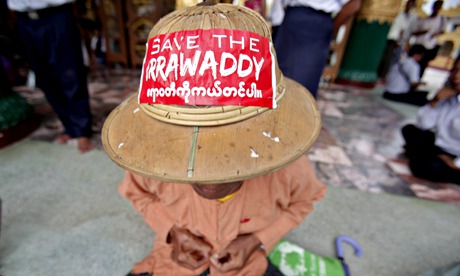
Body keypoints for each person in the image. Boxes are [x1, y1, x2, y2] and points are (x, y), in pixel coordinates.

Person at [101, 3, 326, 275]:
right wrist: (171, 231)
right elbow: (137, 193)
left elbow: (305, 200)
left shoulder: (290, 168)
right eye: (185, 147)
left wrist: (256, 240)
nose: (208, 175)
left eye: (228, 148)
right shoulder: (150, 159)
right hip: (170, 262)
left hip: (248, 266)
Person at [7, 0, 94, 153]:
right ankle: (68, 127)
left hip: (57, 14)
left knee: (70, 72)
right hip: (23, 19)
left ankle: (82, 130)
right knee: (44, 76)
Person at [273, 0, 361, 98]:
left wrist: (332, 27)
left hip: (314, 23)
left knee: (300, 88)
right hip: (290, 19)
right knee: (277, 82)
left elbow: (353, 4)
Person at [401, 56, 460, 185]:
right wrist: (434, 101)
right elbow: (423, 125)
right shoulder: (450, 97)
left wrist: (455, 162)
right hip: (438, 148)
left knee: (431, 167)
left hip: (455, 155)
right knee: (409, 129)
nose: (456, 76)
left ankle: (420, 155)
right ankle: (422, 155)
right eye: (455, 70)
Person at [378, 0, 418, 79]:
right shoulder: (398, 13)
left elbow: (404, 30)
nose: (409, 5)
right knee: (384, 56)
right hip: (389, 37)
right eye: (408, 3)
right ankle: (380, 74)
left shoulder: (413, 17)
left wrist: (400, 41)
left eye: (411, 4)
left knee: (392, 58)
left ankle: (384, 75)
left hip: (397, 40)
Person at [411, 0, 448, 79]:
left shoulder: (441, 20)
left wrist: (434, 34)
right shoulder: (424, 20)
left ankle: (415, 82)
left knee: (421, 68)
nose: (436, 8)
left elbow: (443, 31)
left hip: (429, 47)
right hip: (419, 45)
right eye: (435, 6)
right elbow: (414, 32)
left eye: (439, 7)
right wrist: (423, 32)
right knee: (412, 65)